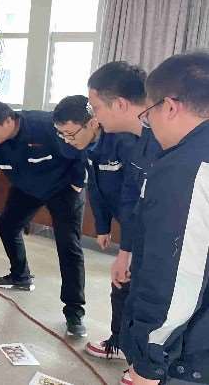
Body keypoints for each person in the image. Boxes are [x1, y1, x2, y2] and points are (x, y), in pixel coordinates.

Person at [118, 53, 209, 385]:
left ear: (169, 107)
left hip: (188, 355)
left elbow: (177, 275)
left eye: (149, 114)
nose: (150, 126)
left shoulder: (187, 168)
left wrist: (149, 362)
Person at [0, 98, 88, 337]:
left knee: (68, 246)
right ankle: (20, 276)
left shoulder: (46, 126)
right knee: (7, 225)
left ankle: (74, 311)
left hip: (62, 189)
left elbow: (79, 149)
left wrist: (77, 183)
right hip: (26, 188)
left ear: (8, 121)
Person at [86, 61, 162, 385]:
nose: (95, 117)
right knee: (131, 296)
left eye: (96, 107)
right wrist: (125, 252)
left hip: (171, 245)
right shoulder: (137, 142)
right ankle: (135, 359)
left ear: (119, 104)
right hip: (143, 241)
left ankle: (150, 370)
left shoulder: (166, 142)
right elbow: (133, 202)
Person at [52, 94, 138, 361]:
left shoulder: (125, 143)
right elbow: (97, 190)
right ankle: (121, 342)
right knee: (123, 282)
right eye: (62, 135)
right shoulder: (90, 148)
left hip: (145, 224)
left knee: (130, 283)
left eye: (70, 134)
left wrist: (126, 249)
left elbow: (133, 199)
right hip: (129, 223)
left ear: (92, 123)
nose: (67, 140)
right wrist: (103, 227)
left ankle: (135, 355)